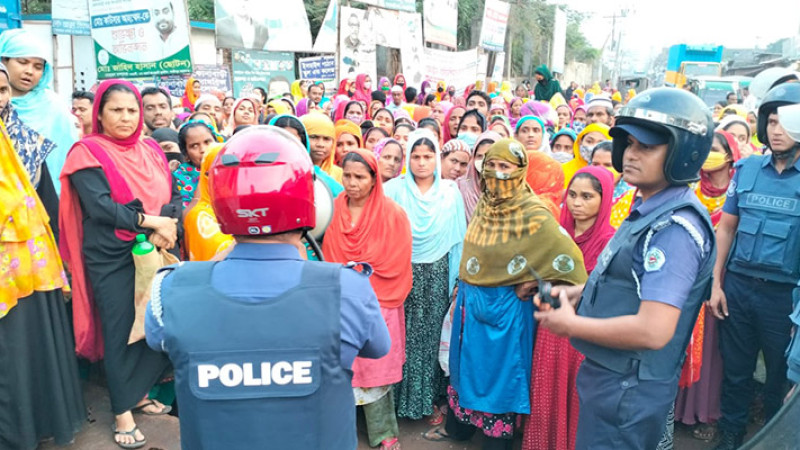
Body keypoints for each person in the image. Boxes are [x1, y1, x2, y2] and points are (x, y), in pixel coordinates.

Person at [146, 126, 390, 449]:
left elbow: (156, 340)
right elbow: (378, 347)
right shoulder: (347, 288)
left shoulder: (171, 288)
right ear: (309, 201)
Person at [533, 87, 716, 449]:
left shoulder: (674, 230)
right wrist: (578, 293)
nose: (631, 154)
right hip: (613, 379)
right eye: (629, 144)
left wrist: (572, 325)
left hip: (629, 389)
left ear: (683, 152)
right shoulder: (649, 209)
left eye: (646, 147)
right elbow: (630, 282)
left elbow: (654, 330)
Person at [431, 139, 585, 449]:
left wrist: (533, 282)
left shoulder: (533, 212)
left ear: (521, 170)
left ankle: (496, 444)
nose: (496, 173)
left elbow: (570, 263)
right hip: (472, 306)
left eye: (505, 166)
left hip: (507, 310)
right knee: (470, 371)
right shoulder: (485, 205)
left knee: (499, 376)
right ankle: (461, 431)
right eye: (491, 165)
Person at [59, 79, 181, 448]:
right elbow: (100, 207)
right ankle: (121, 412)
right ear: (99, 113)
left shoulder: (152, 149)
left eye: (132, 110)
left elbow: (173, 193)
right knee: (121, 328)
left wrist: (168, 225)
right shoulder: (87, 152)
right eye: (116, 110)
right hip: (111, 255)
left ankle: (137, 393)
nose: (126, 118)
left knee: (153, 323)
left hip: (156, 249)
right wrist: (152, 222)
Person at [709, 82, 800, 449]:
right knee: (736, 372)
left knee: (780, 378)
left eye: (785, 122)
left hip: (785, 298)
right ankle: (730, 436)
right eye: (771, 122)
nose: (777, 131)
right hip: (739, 288)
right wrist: (716, 284)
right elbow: (726, 228)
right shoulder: (746, 169)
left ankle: (774, 441)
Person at [0, 64, 86, 450]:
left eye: (2, 90)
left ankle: (29, 427)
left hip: (28, 268)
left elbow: (46, 204)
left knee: (24, 350)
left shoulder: (24, 141)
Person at [323, 149, 412, 450]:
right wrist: (348, 288)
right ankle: (340, 432)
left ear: (375, 179)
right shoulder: (333, 209)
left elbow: (397, 264)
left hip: (379, 302)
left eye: (360, 177)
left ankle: (383, 432)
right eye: (347, 175)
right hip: (341, 301)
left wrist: (362, 288)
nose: (352, 183)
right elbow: (328, 258)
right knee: (342, 369)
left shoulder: (393, 214)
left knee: (375, 368)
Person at [523, 166, 614, 450]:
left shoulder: (610, 241)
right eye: (572, 195)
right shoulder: (556, 233)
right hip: (550, 327)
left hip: (584, 330)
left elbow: (605, 290)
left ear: (604, 200)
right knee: (547, 390)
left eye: (587, 196)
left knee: (576, 394)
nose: (577, 203)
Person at [384, 129, 467, 421]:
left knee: (431, 337)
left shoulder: (450, 192)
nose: (422, 163)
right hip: (401, 272)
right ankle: (399, 400)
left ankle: (427, 399)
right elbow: (385, 235)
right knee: (402, 336)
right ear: (408, 158)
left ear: (437, 158)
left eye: (428, 156)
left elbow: (458, 239)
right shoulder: (393, 190)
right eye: (416, 156)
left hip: (437, 273)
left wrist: (457, 280)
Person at [0, 29, 80, 194]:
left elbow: (71, 157)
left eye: (38, 66)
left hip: (49, 198)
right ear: (4, 60)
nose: (30, 71)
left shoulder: (54, 107)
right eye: (22, 62)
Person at [458, 131, 501, 220]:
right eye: (479, 156)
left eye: (489, 156)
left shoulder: (508, 188)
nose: (483, 161)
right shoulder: (460, 186)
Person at [174, 121, 215, 208]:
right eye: (194, 146)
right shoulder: (179, 178)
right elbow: (185, 214)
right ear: (186, 153)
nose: (203, 150)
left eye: (207, 142)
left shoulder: (230, 168)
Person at [561, 123, 611, 188]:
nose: (593, 146)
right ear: (580, 142)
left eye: (600, 143)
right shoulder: (562, 170)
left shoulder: (614, 172)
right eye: (589, 141)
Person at [302, 112, 342, 183]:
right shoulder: (293, 171)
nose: (320, 144)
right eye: (314, 137)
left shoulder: (339, 175)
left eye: (326, 139)